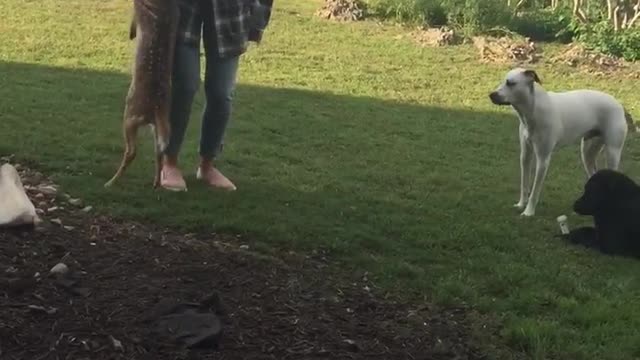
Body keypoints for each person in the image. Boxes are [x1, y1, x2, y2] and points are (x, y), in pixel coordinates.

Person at [160, 0, 273, 192]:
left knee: (221, 94)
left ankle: (207, 166)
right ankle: (169, 162)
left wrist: (258, 21)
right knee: (185, 86)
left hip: (230, 15)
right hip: (183, 11)